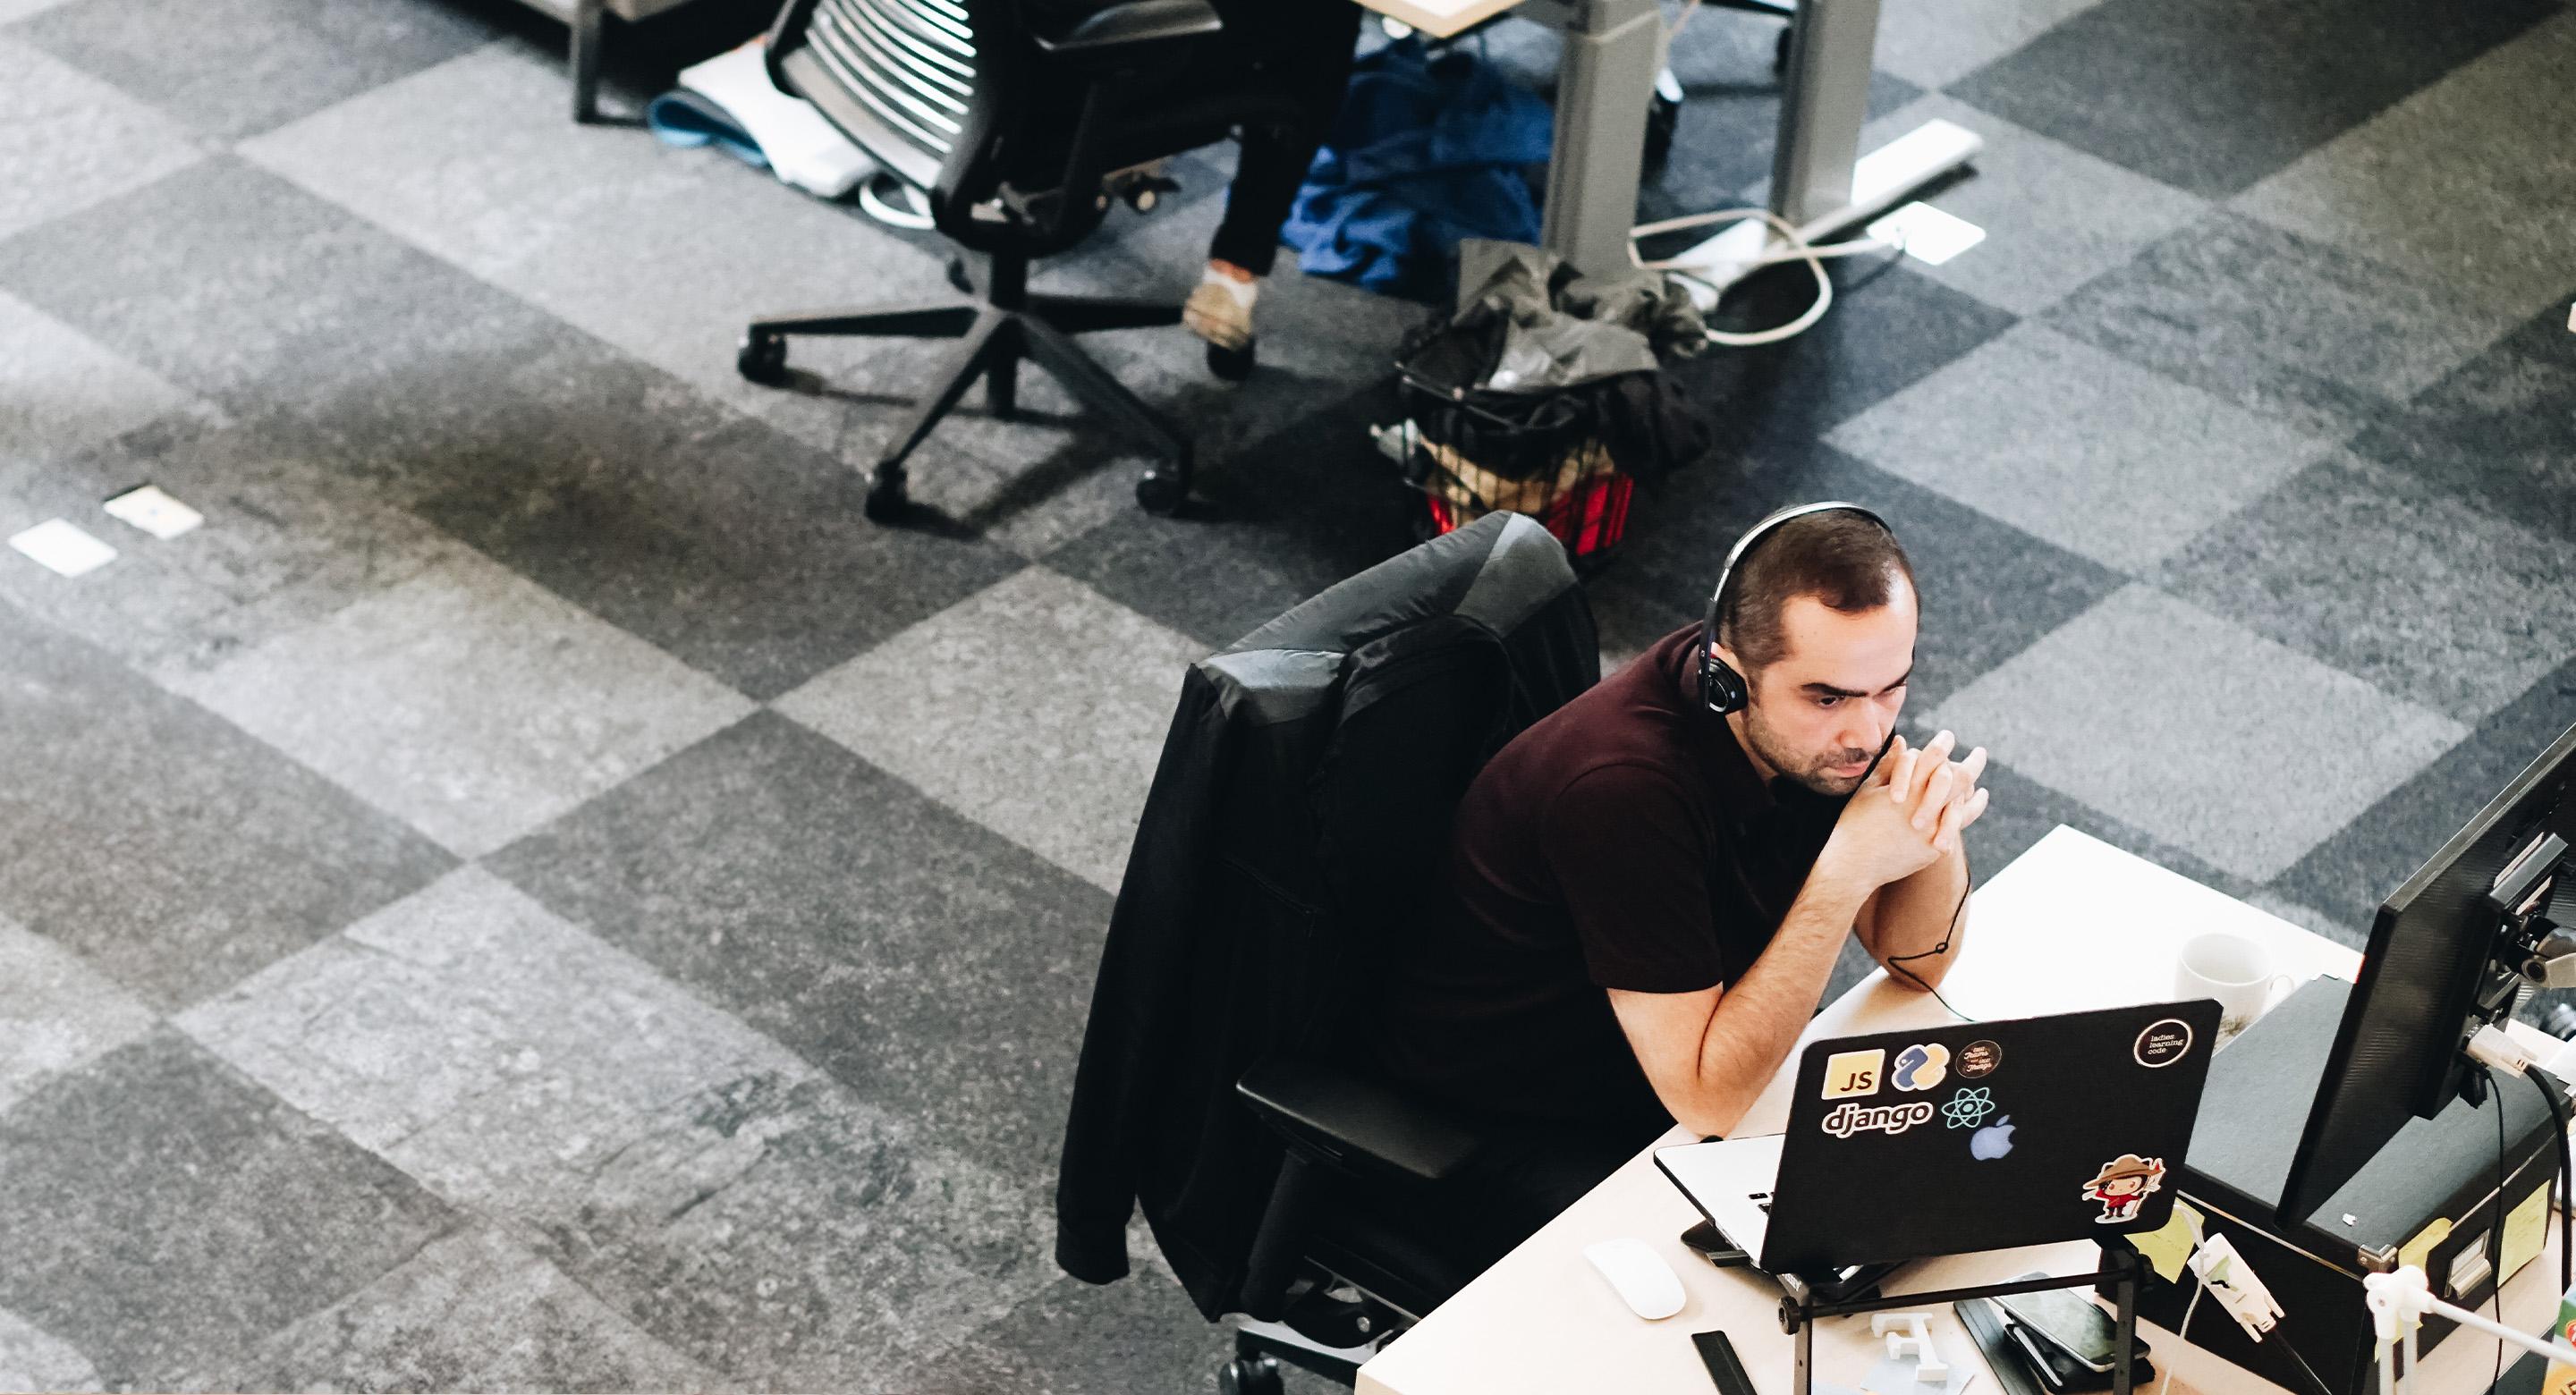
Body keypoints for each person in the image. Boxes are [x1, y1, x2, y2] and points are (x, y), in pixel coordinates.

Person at [1374, 507, 1993, 1266]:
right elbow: (1709, 1099)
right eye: (1828, 698)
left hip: (1669, 1058)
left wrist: (1933, 820)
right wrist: (1845, 873)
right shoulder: (1621, 793)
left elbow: (1918, 962)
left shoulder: (1813, 732)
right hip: (1515, 1119)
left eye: (1891, 688)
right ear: (1728, 679)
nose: (1867, 734)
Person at [1179, 0, 1364, 375]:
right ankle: (1233, 273)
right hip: (1104, 63)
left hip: (1040, 71)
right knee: (1328, 20)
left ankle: (1234, 273)